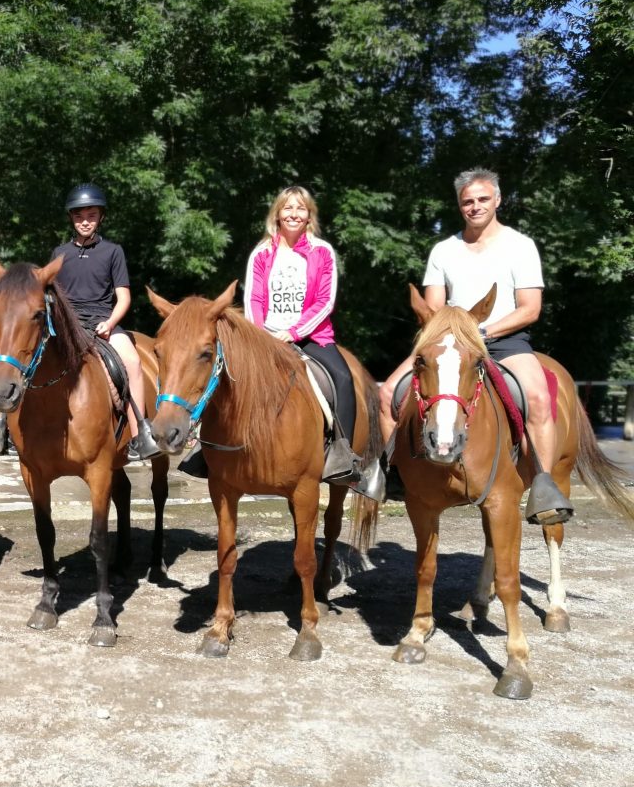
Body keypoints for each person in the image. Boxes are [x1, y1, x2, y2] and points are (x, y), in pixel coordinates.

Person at [374, 167, 573, 524]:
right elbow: (435, 309)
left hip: (505, 342)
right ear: (459, 205)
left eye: (482, 199)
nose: (475, 206)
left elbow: (530, 308)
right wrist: (453, 336)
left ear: (497, 200)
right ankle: (390, 473)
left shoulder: (520, 246)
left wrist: (482, 332)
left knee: (540, 399)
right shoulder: (443, 250)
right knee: (388, 392)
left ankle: (542, 485)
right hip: (450, 344)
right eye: (468, 201)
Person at [243, 186, 358, 482]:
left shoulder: (322, 251)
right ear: (278, 214)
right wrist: (260, 337)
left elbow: (325, 301)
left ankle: (341, 455)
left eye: (301, 209)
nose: (294, 214)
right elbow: (253, 300)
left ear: (309, 216)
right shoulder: (262, 253)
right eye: (288, 208)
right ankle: (207, 450)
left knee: (343, 379)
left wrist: (293, 333)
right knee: (228, 374)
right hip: (265, 338)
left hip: (312, 337)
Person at [50, 182, 160, 460]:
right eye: (78, 216)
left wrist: (110, 323)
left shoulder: (113, 252)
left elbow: (123, 298)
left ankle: (140, 435)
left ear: (101, 218)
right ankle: (4, 426)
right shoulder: (59, 254)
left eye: (91, 216)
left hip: (102, 323)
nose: (84, 222)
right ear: (71, 219)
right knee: (26, 356)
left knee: (133, 364)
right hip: (68, 327)